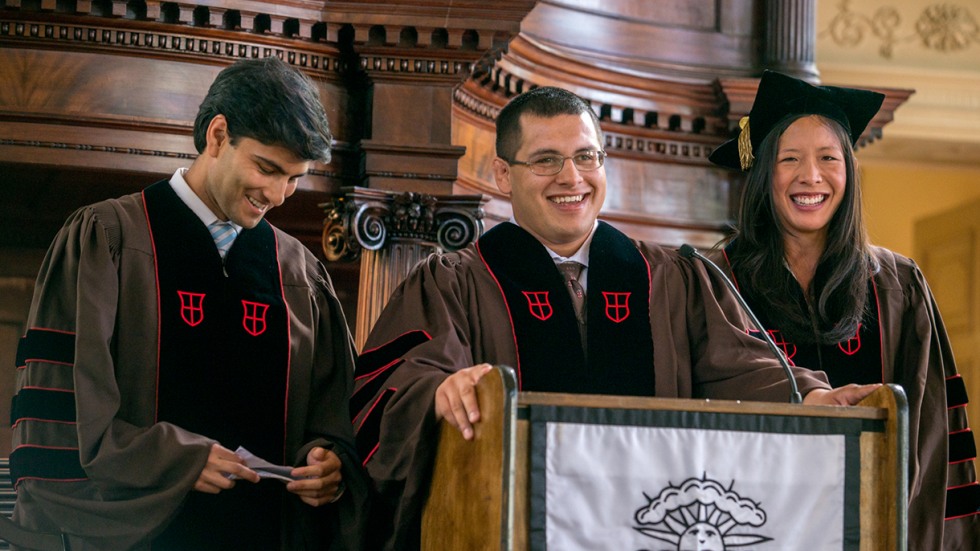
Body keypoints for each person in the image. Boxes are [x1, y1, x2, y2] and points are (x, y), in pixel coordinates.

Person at [349, 85, 878, 549]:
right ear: (503, 173)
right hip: (506, 529)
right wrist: (440, 392)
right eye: (546, 160)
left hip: (646, 532)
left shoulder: (669, 275)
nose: (571, 178)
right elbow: (390, 385)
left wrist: (809, 396)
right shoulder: (455, 281)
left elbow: (738, 363)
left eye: (586, 157)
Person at [10, 57, 367, 550]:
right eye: (267, 168)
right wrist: (178, 459)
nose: (279, 195)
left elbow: (336, 415)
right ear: (218, 136)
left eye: (295, 178)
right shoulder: (107, 239)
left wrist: (329, 460)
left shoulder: (300, 274)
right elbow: (62, 415)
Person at [708, 70, 980, 550]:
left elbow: (934, 433)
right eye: (789, 159)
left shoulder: (897, 284)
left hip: (869, 530)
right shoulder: (715, 278)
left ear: (849, 172)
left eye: (828, 158)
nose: (810, 176)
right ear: (762, 170)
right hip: (750, 528)